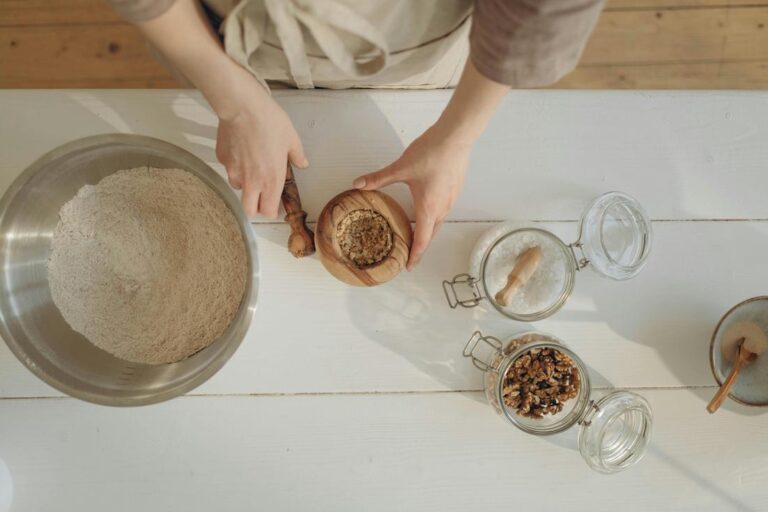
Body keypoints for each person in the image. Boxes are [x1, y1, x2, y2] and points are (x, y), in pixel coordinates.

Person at [111, 0, 604, 269]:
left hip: (413, 64)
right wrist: (235, 102)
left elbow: (543, 14)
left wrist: (454, 139)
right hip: (223, 49)